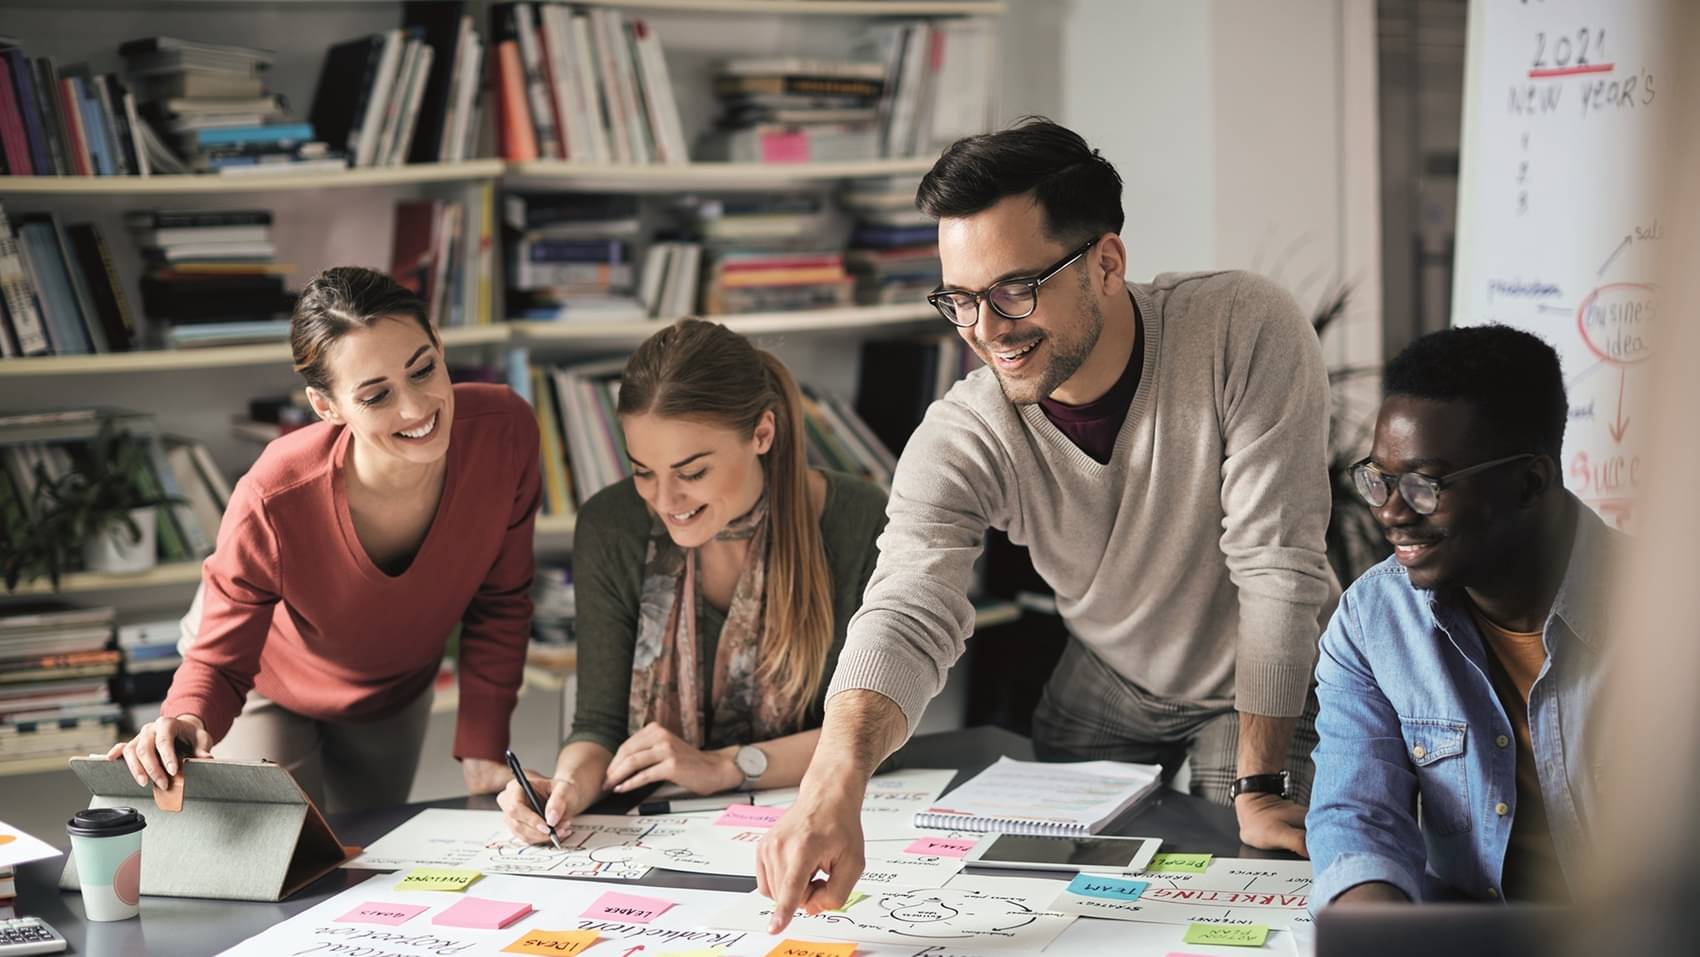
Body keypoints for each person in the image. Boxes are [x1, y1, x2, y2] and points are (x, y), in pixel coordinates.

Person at [757, 117, 1338, 925]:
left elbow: (1278, 566)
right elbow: (906, 606)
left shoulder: (1242, 328)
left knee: (1246, 891)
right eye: (960, 300)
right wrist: (830, 786)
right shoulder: (965, 433)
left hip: (1258, 674)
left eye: (1014, 290)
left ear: (1106, 261)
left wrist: (1262, 782)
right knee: (1056, 902)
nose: (986, 331)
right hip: (1106, 667)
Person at [108, 266, 541, 813]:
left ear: (437, 342)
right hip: (266, 676)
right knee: (283, 857)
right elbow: (219, 662)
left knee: (365, 851)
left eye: (424, 369)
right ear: (327, 407)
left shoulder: (506, 432)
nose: (415, 409)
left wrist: (484, 749)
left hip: (391, 685)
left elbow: (502, 602)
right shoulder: (274, 494)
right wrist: (185, 721)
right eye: (376, 395)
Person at [498, 319, 888, 843]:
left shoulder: (859, 520)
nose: (664, 501)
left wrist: (725, 766)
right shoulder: (611, 526)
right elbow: (599, 726)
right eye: (643, 472)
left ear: (762, 434)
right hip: (663, 834)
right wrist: (565, 786)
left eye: (693, 473)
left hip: (816, 820)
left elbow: (869, 730)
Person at [1307, 325, 1622, 907]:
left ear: (1530, 483)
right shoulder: (1372, 621)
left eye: (1425, 485)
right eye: (1380, 481)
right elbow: (1357, 817)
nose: (1391, 513)